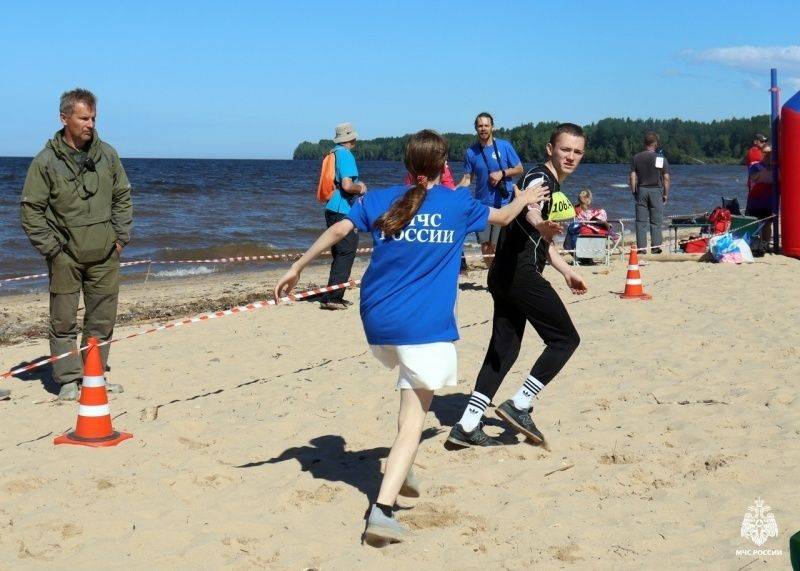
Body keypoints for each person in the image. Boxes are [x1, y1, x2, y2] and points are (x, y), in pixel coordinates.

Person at [274, 130, 548, 543]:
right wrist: (524, 200)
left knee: (408, 399)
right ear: (444, 167)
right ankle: (381, 512)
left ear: (407, 166)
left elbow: (337, 231)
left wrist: (297, 266)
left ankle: (402, 470)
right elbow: (504, 218)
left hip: (377, 323)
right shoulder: (457, 203)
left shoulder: (383, 198)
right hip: (421, 329)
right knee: (413, 423)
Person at [447, 123, 588, 449]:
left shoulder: (550, 181)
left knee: (504, 349)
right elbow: (530, 209)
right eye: (565, 149)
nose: (570, 156)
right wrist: (540, 223)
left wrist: (566, 270)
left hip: (504, 274)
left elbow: (541, 238)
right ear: (550, 148)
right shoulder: (540, 178)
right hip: (520, 275)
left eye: (577, 152)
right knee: (565, 339)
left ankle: (467, 425)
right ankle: (521, 402)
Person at [20, 88, 132, 400]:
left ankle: (93, 376)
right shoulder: (45, 162)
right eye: (84, 118)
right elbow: (31, 210)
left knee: (101, 319)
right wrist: (53, 249)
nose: (90, 124)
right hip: (65, 257)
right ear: (64, 118)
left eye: (93, 117)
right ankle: (68, 378)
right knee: (64, 320)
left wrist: (120, 239)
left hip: (105, 255)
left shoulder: (107, 155)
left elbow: (122, 197)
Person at [458, 112, 524, 265]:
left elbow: (519, 168)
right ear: (476, 128)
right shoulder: (471, 152)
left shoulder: (504, 146)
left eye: (486, 125)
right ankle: (492, 276)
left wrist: (502, 173)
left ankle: (500, 277)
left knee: (499, 244)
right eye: (480, 126)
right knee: (485, 244)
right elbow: (467, 178)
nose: (483, 129)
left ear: (492, 127)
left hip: (504, 204)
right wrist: (453, 192)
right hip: (482, 204)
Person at [319, 122, 367, 310]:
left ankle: (333, 295)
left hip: (331, 207)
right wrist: (360, 187)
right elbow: (347, 185)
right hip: (342, 209)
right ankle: (333, 298)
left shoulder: (333, 153)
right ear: (350, 138)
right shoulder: (346, 155)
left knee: (339, 253)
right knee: (346, 252)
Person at [629, 132, 670, 254]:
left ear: (644, 143)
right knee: (656, 221)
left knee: (640, 221)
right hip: (656, 190)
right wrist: (666, 193)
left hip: (641, 189)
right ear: (655, 144)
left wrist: (634, 191)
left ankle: (641, 249)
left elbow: (632, 177)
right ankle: (655, 247)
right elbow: (666, 178)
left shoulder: (636, 158)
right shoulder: (660, 158)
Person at [746, 145, 774, 245]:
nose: (768, 155)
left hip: (769, 202)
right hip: (755, 201)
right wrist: (766, 166)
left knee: (767, 224)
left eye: (770, 153)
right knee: (754, 223)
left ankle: (765, 244)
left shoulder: (777, 167)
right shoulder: (755, 166)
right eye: (766, 153)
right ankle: (754, 244)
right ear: (761, 154)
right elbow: (754, 175)